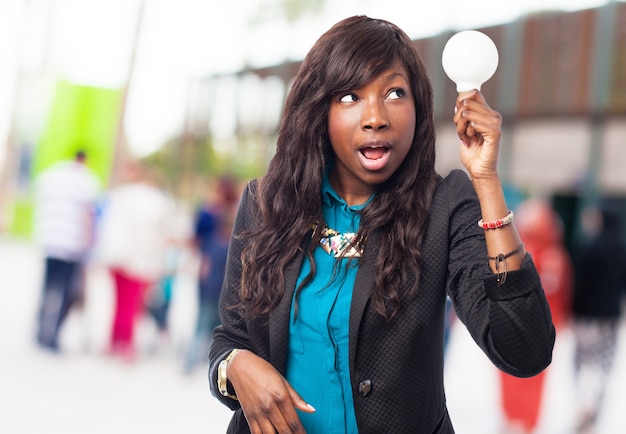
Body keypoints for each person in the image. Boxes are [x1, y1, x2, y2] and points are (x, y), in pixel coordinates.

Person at [208, 16, 555, 434]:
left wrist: (487, 183)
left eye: (394, 93)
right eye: (351, 96)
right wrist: (235, 366)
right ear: (320, 109)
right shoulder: (266, 204)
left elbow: (525, 350)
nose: (375, 117)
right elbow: (229, 340)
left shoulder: (443, 206)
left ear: (419, 107)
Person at [498, 199, 573, 433]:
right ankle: (524, 421)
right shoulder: (556, 256)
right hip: (541, 328)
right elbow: (562, 294)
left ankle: (515, 419)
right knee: (534, 377)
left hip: (514, 326)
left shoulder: (517, 253)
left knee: (510, 373)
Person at [95, 161, 175, 361]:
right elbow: (163, 232)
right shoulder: (156, 201)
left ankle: (115, 340)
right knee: (131, 305)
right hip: (140, 260)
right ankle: (127, 344)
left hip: (117, 257)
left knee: (119, 302)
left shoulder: (119, 196)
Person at [33, 150, 100, 352]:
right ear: (84, 160)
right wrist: (90, 243)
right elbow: (88, 215)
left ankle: (40, 331)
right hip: (72, 244)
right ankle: (53, 335)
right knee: (66, 292)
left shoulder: (51, 176)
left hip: (49, 240)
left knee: (48, 288)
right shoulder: (86, 181)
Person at [572, 200, 626, 434]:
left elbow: (580, 284)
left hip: (586, 318)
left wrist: (572, 314)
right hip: (610, 319)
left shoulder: (588, 246)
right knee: (604, 367)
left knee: (581, 365)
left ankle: (583, 409)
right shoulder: (621, 249)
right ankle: (593, 415)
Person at [184, 175, 240, 373]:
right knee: (215, 323)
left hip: (210, 284)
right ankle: (209, 359)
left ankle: (199, 358)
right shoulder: (235, 217)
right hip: (220, 286)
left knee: (204, 321)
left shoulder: (210, 214)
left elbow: (197, 244)